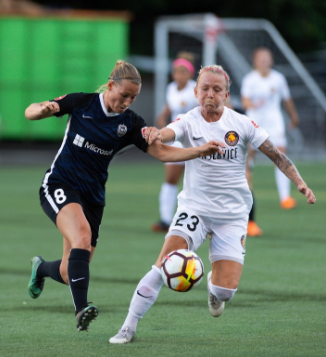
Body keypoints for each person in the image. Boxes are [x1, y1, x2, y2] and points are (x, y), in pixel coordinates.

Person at [109, 64, 316, 344]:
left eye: (217, 90)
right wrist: (158, 133)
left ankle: (213, 290)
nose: (210, 94)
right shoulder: (188, 120)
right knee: (161, 266)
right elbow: (170, 131)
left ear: (226, 95)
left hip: (232, 216)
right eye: (204, 88)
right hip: (194, 209)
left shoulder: (241, 124)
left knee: (225, 291)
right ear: (195, 92)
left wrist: (299, 181)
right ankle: (128, 327)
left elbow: (276, 154)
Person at [24, 60, 226, 332]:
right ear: (110, 86)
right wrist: (42, 110)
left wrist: (199, 150)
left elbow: (162, 153)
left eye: (134, 97)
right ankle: (81, 309)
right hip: (60, 183)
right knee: (82, 236)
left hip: (93, 197)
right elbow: (30, 111)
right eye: (124, 95)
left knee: (67, 270)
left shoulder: (130, 123)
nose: (127, 102)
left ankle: (41, 269)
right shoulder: (82, 103)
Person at [241, 47, 301, 236]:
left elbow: (287, 100)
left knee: (280, 155)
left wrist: (293, 116)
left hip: (274, 122)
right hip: (255, 122)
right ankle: (246, 188)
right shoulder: (250, 79)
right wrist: (252, 104)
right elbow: (244, 102)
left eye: (267, 58)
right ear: (255, 61)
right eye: (261, 58)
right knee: (249, 157)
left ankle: (285, 197)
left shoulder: (278, 78)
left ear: (271, 61)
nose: (264, 61)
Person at [152, 52, 199, 232]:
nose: (179, 75)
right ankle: (165, 220)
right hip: (177, 140)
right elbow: (169, 108)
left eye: (183, 72)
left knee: (198, 181)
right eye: (176, 71)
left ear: (190, 74)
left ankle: (203, 220)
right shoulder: (171, 88)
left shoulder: (196, 89)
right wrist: (163, 118)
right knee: (171, 179)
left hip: (195, 141)